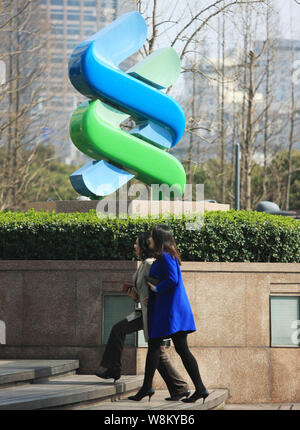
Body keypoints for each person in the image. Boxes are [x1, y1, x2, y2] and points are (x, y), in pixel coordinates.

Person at [96, 231, 190, 401]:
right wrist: (136, 295)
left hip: (150, 313)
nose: (135, 246)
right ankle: (179, 388)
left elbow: (156, 286)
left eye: (137, 244)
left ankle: (117, 370)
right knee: (154, 350)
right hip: (144, 312)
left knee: (154, 349)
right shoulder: (144, 263)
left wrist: (146, 296)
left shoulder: (149, 263)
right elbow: (147, 288)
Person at [128, 224, 209, 403]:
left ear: (158, 239)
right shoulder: (163, 256)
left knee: (173, 349)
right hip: (168, 311)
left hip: (172, 313)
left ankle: (199, 388)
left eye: (151, 237)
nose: (148, 239)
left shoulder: (166, 256)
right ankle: (148, 387)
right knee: (160, 347)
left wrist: (156, 288)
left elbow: (172, 279)